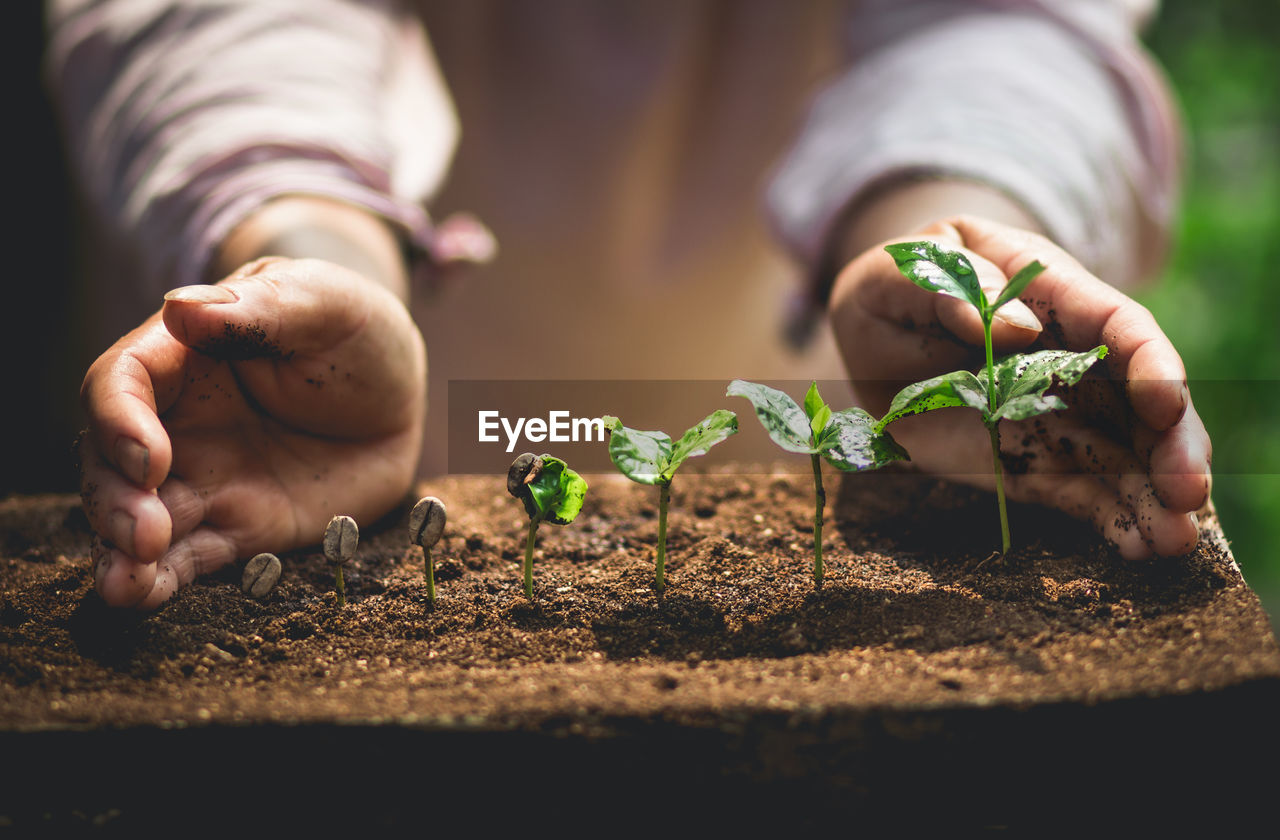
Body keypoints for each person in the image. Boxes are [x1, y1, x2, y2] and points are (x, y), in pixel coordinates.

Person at [47, 0, 1211, 609]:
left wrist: (957, 241)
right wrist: (297, 250)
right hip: (308, 423)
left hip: (851, 417)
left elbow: (994, 23)